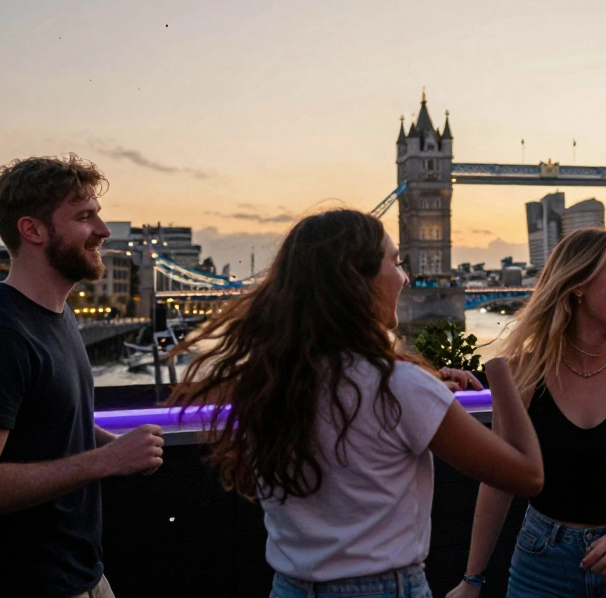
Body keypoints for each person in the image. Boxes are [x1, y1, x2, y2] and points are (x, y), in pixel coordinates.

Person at [170, 209, 543, 598]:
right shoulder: (400, 389)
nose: (406, 278)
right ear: (357, 279)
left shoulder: (268, 381)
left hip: (290, 587)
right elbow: (527, 475)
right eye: (396, 263)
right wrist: (503, 374)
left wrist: (423, 389)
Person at [0, 155, 166, 598]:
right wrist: (108, 462)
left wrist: (106, 443)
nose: (102, 230)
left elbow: (46, 414)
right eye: (84, 217)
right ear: (32, 230)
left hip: (79, 575)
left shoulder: (58, 317)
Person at [447, 228, 606, 598]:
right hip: (541, 566)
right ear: (578, 283)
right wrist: (472, 579)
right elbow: (500, 481)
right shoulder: (524, 373)